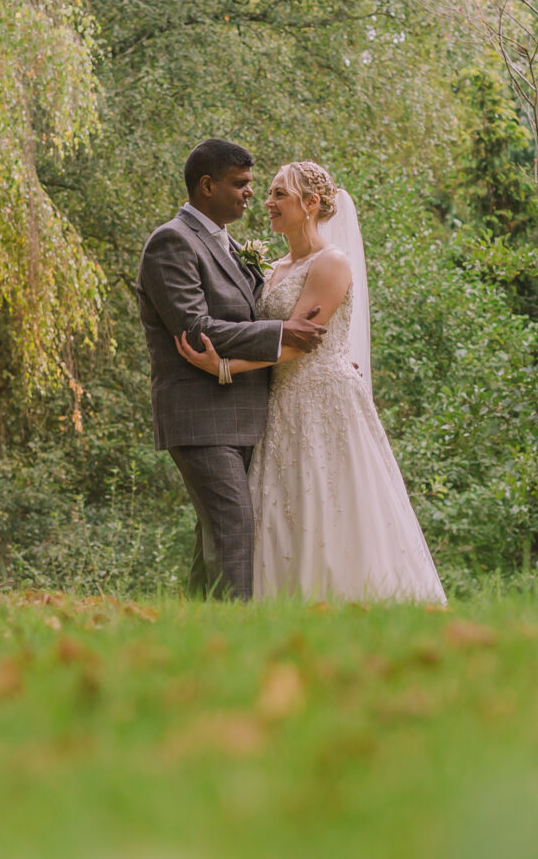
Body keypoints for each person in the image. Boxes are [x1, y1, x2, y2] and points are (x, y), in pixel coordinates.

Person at [176, 161, 445, 604]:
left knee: (331, 506)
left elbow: (299, 342)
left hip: (325, 397)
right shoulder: (271, 266)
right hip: (280, 402)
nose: (267, 202)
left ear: (311, 203)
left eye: (279, 194)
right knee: (280, 511)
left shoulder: (331, 263)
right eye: (270, 192)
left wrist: (222, 367)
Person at [134, 139, 329, 599]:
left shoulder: (234, 246)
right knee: (234, 529)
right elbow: (194, 327)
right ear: (207, 185)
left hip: (244, 414)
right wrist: (281, 333)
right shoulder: (171, 242)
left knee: (216, 542)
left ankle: (194, 638)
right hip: (200, 415)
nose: (250, 194)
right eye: (239, 184)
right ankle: (232, 643)